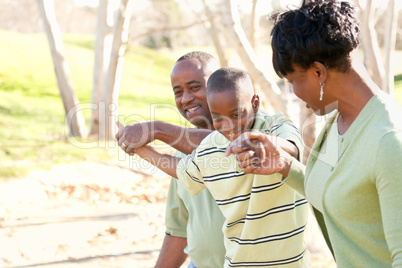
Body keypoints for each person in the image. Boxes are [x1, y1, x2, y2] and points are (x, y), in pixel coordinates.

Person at [225, 1, 402, 267]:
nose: (293, 91)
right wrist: (286, 166)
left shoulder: (389, 141)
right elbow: (346, 195)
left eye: (292, 81)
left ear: (319, 72)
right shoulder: (339, 119)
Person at [123, 67, 310, 267]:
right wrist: (141, 151)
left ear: (255, 103)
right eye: (218, 118)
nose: (228, 126)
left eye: (236, 114)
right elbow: (181, 170)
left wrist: (268, 146)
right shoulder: (211, 146)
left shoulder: (275, 125)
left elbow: (292, 148)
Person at [116, 51, 227, 267]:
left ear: (219, 84)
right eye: (178, 92)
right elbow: (179, 230)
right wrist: (141, 150)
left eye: (195, 87)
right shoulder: (181, 153)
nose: (185, 99)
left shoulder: (253, 133)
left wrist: (156, 129)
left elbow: (222, 144)